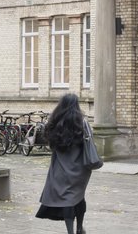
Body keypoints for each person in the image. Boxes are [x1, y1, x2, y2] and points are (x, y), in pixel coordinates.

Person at [36, 93, 93, 234]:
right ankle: (79, 228)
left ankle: (70, 231)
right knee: (79, 197)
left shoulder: (55, 123)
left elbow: (49, 142)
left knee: (67, 199)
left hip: (61, 168)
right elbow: (89, 142)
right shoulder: (82, 123)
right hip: (80, 169)